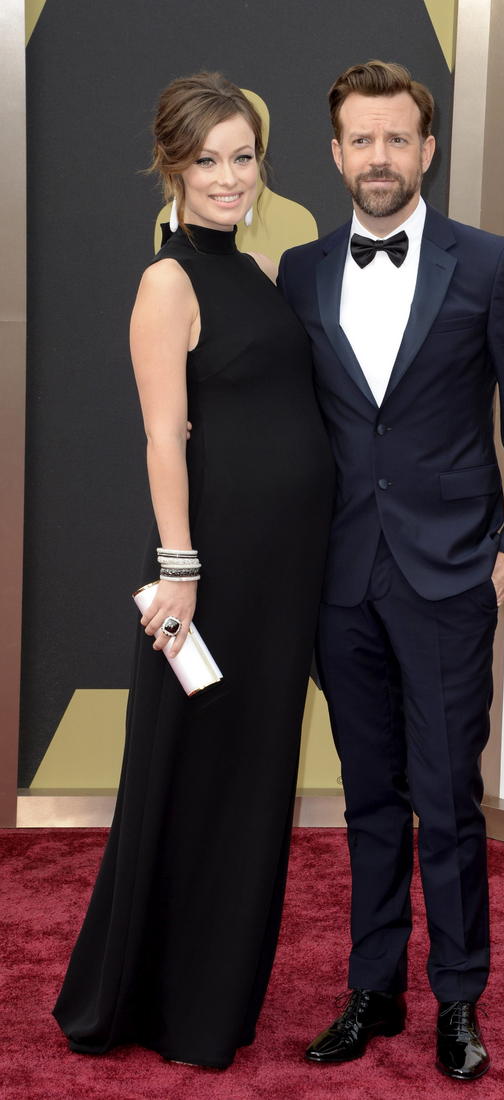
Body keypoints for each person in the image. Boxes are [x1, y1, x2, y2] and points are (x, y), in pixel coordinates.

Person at [278, 60, 504, 1082]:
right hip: (341, 579)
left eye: (396, 138)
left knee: (446, 800)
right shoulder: (301, 273)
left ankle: (457, 997)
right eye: (361, 139)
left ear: (427, 149)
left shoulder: (488, 265)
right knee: (366, 797)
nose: (380, 157)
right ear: (336, 153)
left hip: (451, 580)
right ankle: (374, 987)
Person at [53, 72, 334, 1069]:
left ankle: (213, 998)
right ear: (171, 165)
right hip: (209, 573)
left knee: (252, 779)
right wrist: (180, 570)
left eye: (243, 156)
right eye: (207, 159)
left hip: (281, 573)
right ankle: (157, 1003)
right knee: (192, 774)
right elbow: (163, 435)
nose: (228, 177)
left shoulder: (257, 272)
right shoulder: (166, 282)